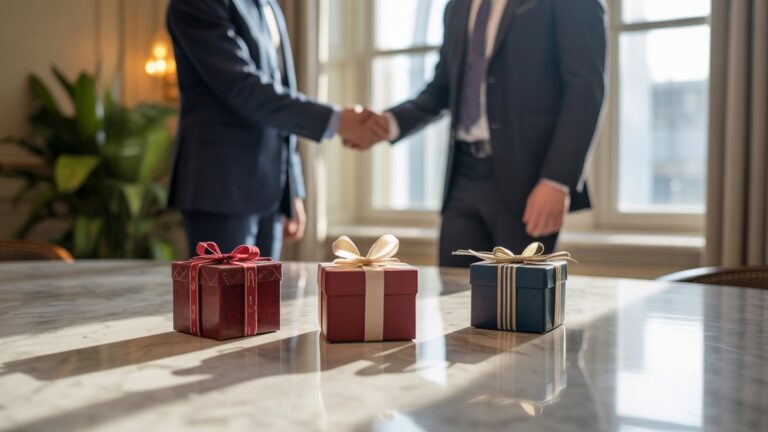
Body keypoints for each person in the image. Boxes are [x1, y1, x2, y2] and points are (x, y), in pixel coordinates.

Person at [347, 0, 606, 267]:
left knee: (521, 300)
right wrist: (387, 124)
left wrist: (556, 180)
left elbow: (585, 91)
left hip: (530, 181)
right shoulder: (456, 7)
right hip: (463, 176)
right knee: (452, 295)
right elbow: (442, 88)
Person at [166, 0, 388, 258]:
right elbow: (241, 86)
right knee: (225, 296)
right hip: (221, 189)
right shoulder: (195, 5)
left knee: (267, 295)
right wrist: (335, 120)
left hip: (271, 192)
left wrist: (291, 191)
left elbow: (282, 92)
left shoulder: (269, 4)